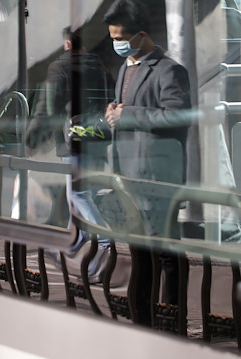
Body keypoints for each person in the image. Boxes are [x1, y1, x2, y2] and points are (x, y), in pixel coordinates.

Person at [103, 0, 192, 326]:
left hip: (158, 177)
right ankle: (143, 318)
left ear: (141, 35)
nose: (116, 44)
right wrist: (114, 113)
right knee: (140, 253)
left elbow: (178, 118)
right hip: (130, 174)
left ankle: (172, 317)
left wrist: (129, 115)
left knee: (167, 253)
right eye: (112, 37)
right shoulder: (127, 66)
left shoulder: (170, 70)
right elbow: (127, 108)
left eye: (120, 37)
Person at [24, 26, 114, 283]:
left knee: (78, 194)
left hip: (75, 141)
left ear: (66, 44)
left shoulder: (60, 67)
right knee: (83, 195)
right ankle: (71, 244)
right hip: (98, 140)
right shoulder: (99, 67)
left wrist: (32, 137)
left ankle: (105, 243)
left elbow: (46, 107)